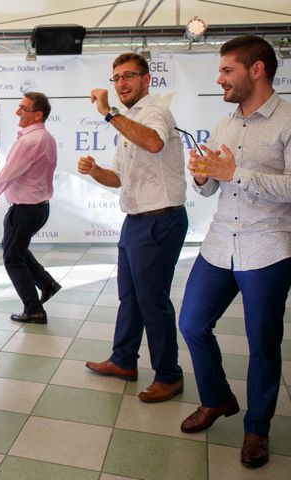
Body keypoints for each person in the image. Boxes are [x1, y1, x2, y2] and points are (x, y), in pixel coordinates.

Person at [178, 35, 291, 469]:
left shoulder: (286, 120)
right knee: (191, 323)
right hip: (220, 241)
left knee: (263, 343)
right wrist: (203, 177)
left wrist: (235, 173)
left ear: (256, 69)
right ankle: (217, 398)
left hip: (269, 247)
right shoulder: (225, 125)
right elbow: (210, 190)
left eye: (227, 70)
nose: (219, 78)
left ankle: (257, 428)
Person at [77, 52, 188, 403]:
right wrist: (96, 171)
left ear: (146, 80)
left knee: (152, 301)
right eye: (117, 78)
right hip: (136, 220)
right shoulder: (128, 121)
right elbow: (119, 177)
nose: (121, 84)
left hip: (159, 220)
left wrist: (108, 112)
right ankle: (124, 360)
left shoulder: (154, 113)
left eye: (129, 76)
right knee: (130, 297)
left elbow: (154, 142)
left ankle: (169, 376)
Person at [0, 91, 60, 325]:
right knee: (14, 249)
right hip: (37, 208)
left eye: (23, 108)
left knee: (12, 258)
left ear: (38, 114)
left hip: (26, 210)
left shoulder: (31, 140)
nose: (17, 112)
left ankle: (34, 309)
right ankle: (47, 283)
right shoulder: (45, 137)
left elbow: (8, 173)